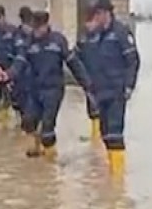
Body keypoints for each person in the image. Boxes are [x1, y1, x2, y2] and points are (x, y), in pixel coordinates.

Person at [9, 10, 93, 160]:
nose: (36, 32)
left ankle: (50, 162)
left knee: (48, 127)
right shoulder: (28, 42)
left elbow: (73, 63)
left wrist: (86, 83)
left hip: (53, 89)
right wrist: (8, 75)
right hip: (34, 89)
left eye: (39, 28)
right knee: (28, 120)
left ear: (46, 25)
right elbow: (19, 62)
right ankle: (37, 147)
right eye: (34, 28)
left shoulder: (58, 41)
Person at [76, 0, 141, 174]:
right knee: (105, 133)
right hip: (99, 91)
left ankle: (118, 180)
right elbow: (81, 58)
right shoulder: (93, 35)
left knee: (115, 133)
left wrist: (129, 86)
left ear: (106, 13)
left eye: (98, 13)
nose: (96, 17)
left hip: (117, 90)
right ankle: (111, 172)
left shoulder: (120, 32)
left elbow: (133, 61)